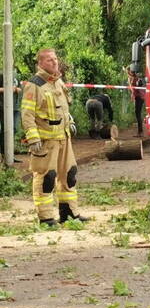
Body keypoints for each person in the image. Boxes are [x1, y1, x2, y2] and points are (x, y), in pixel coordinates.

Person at [21, 48, 87, 226]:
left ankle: (69, 212)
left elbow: (64, 108)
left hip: (64, 139)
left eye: (55, 59)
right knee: (46, 177)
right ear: (40, 63)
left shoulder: (58, 82)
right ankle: (46, 217)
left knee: (69, 175)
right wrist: (33, 137)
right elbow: (27, 114)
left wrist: (70, 121)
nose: (54, 62)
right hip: (45, 142)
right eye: (49, 60)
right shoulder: (34, 85)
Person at [126, 67, 146, 137]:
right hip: (139, 97)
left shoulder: (135, 79)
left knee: (138, 114)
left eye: (128, 72)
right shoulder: (133, 78)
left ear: (131, 72)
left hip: (139, 97)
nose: (127, 73)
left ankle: (140, 132)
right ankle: (140, 131)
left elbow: (134, 89)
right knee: (137, 113)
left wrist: (133, 95)